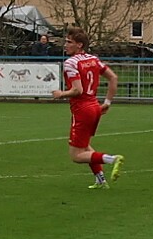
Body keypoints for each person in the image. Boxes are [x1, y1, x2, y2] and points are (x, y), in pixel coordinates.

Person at [52, 28, 122, 187]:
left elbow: (77, 90)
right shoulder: (93, 59)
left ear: (79, 45)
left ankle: (112, 159)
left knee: (76, 156)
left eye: (69, 42)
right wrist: (107, 102)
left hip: (82, 110)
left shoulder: (71, 63)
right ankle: (100, 179)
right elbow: (113, 77)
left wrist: (61, 94)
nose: (65, 45)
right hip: (94, 107)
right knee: (84, 146)